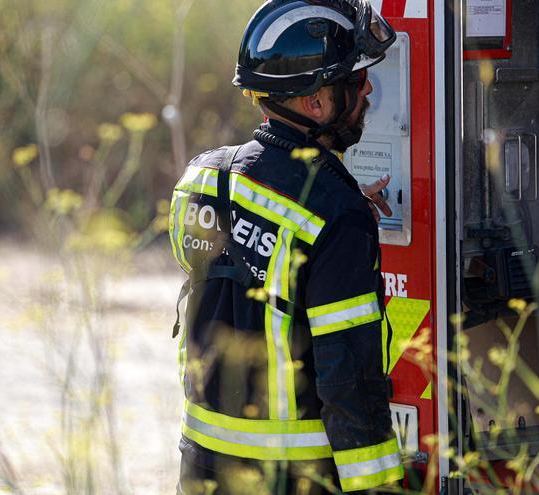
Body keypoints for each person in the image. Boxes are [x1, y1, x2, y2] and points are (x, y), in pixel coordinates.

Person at [169, 1, 403, 493]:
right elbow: (350, 382)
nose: (367, 92)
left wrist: (330, 203)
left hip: (201, 465)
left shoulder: (202, 178)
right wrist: (379, 488)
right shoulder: (336, 216)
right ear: (316, 102)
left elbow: (240, 269)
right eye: (357, 81)